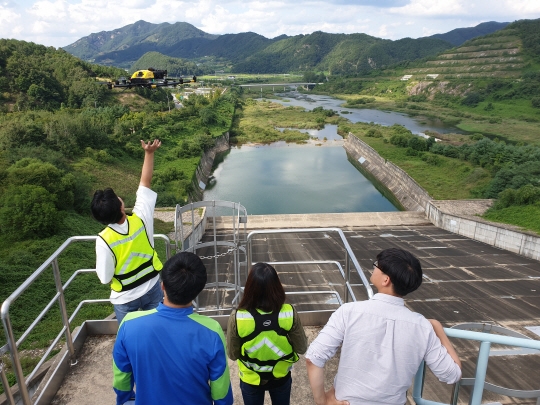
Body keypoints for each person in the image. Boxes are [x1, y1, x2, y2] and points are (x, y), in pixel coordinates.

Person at [305, 248, 462, 405]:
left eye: (376, 266)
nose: (373, 268)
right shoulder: (422, 326)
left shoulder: (349, 312)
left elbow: (314, 358)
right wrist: (438, 329)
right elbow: (452, 374)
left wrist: (323, 401)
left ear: (386, 280)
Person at [112, 251, 234, 405]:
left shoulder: (129, 324)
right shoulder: (212, 331)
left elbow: (121, 379)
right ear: (198, 291)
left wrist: (126, 399)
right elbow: (221, 392)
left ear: (162, 285)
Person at [91, 139, 163, 324]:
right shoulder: (141, 218)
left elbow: (105, 277)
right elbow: (145, 183)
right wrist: (149, 152)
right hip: (152, 287)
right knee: (156, 331)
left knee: (129, 338)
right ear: (121, 206)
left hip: (125, 298)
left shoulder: (104, 240)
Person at [226, 262, 308, 405]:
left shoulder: (238, 316)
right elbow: (301, 348)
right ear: (277, 287)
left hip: (251, 379)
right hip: (280, 377)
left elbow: (233, 355)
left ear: (250, 288)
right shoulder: (289, 313)